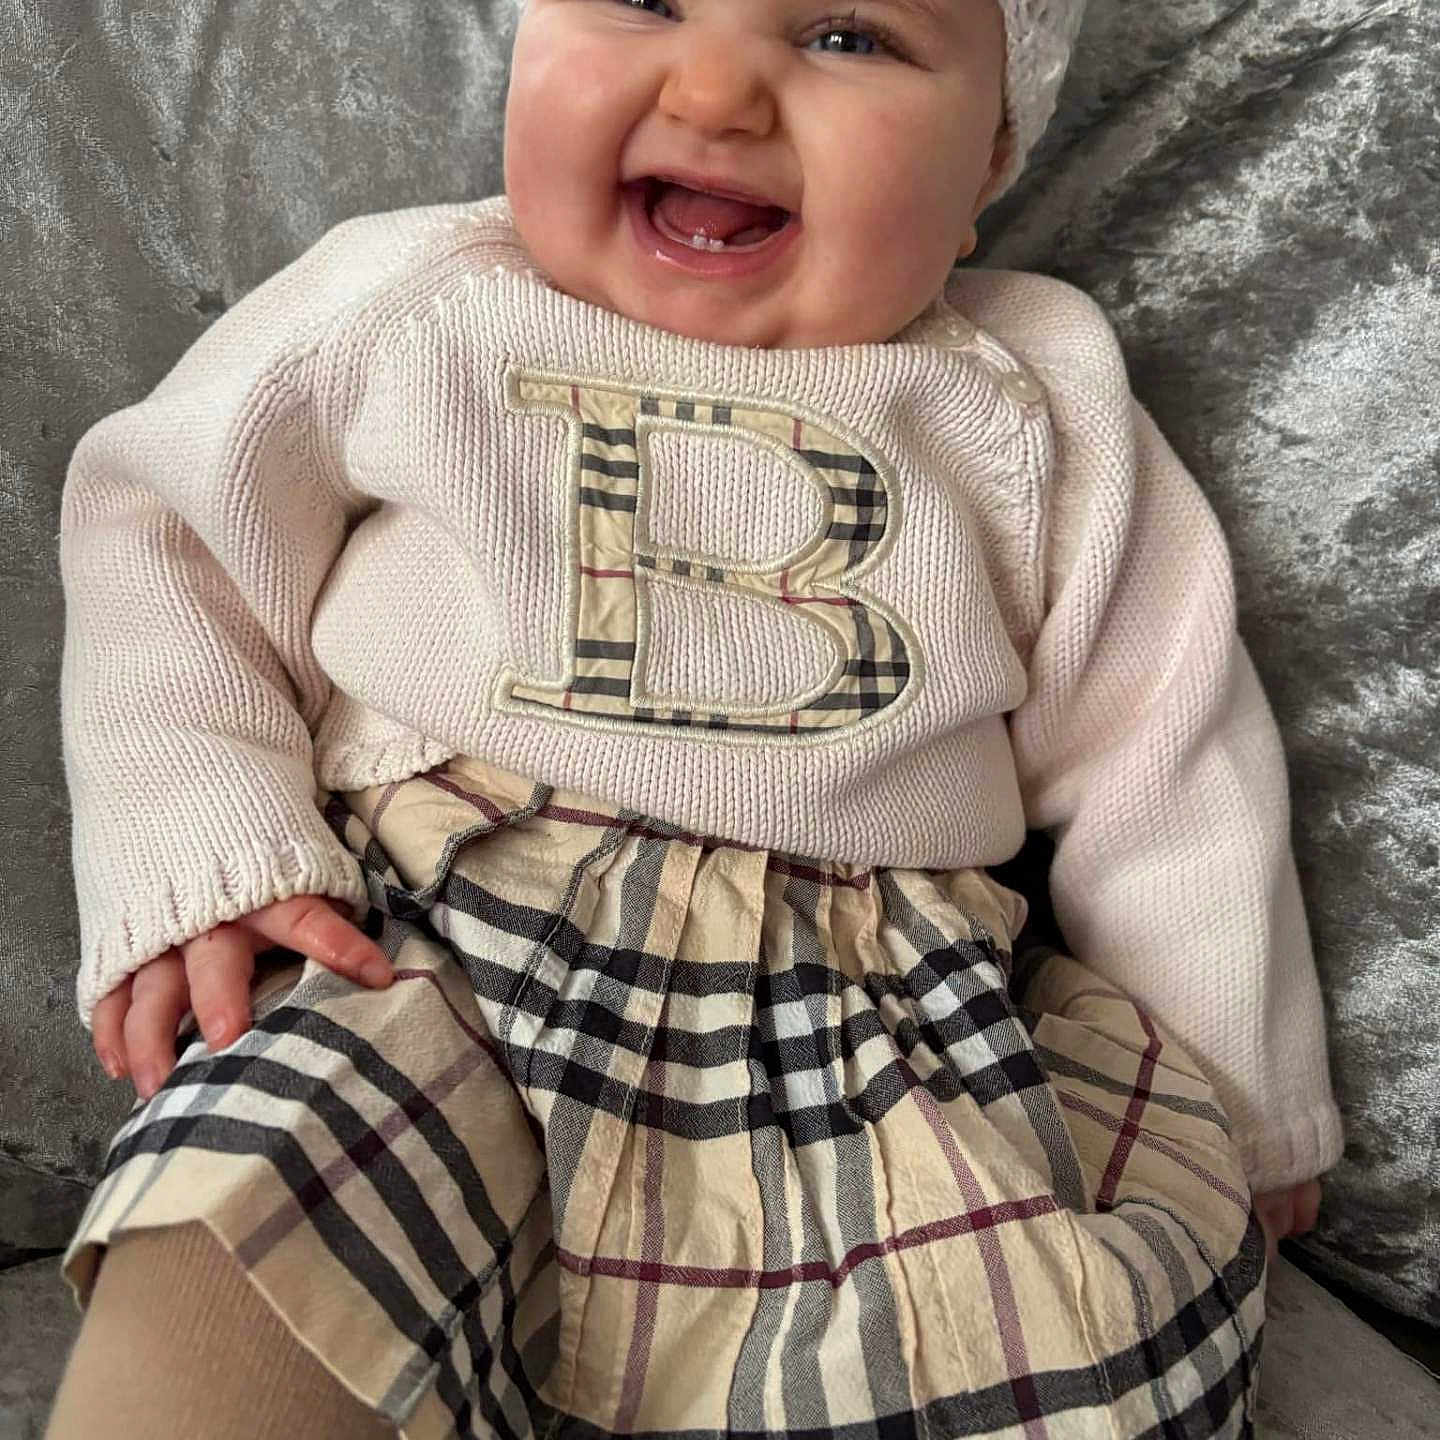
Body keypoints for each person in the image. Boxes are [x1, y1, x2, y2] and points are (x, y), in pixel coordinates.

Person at [47, 0, 1343, 1436]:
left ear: (986, 164)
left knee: (1027, 1340)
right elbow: (165, 535)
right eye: (647, 0)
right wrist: (211, 850)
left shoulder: (1033, 397)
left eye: (847, 34)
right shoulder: (415, 305)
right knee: (256, 1202)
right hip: (425, 942)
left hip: (857, 1025)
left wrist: (1244, 1099)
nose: (718, 90)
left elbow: (1168, 752)